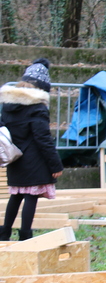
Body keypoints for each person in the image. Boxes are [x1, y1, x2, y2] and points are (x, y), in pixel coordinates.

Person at [0, 59, 63, 242]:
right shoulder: (37, 108)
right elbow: (43, 138)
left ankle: (4, 233)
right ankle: (25, 236)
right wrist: (55, 164)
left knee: (16, 197)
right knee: (30, 197)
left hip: (15, 158)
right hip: (34, 160)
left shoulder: (8, 105)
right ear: (42, 87)